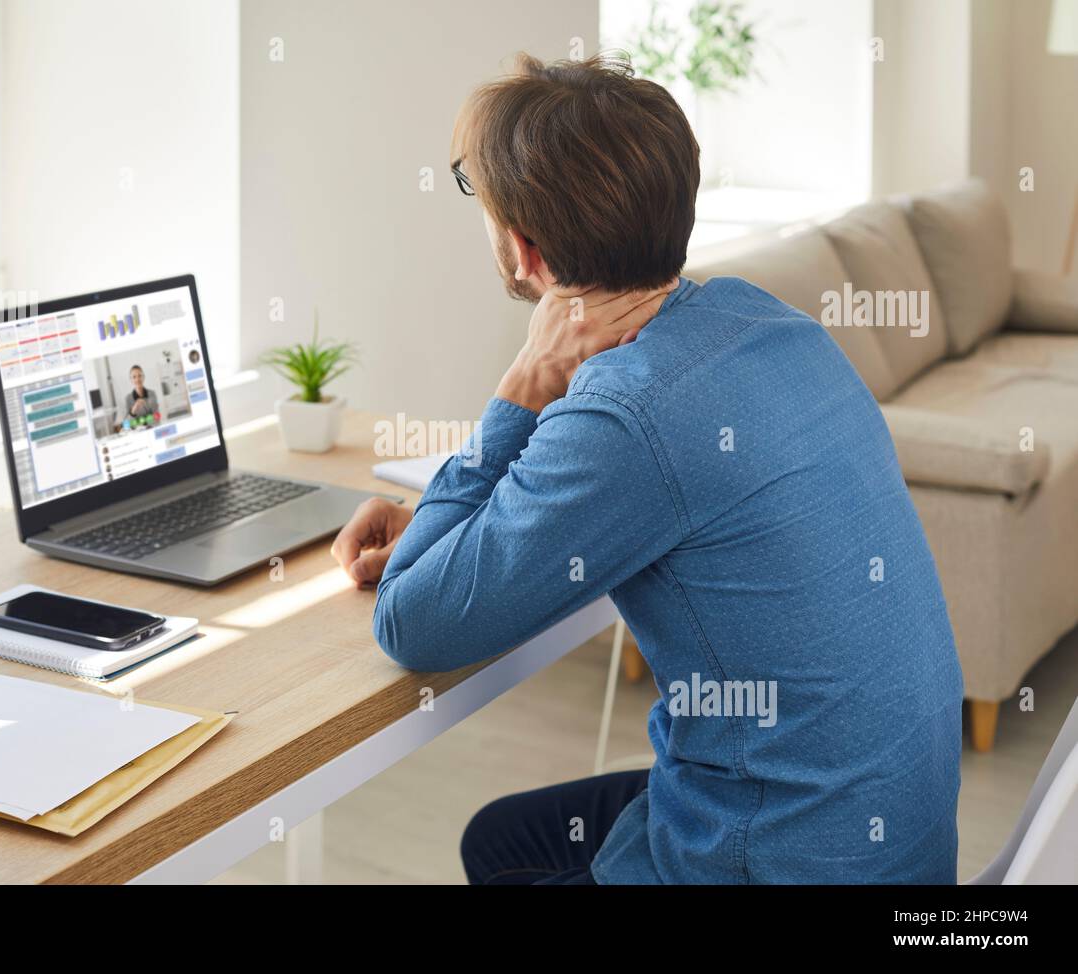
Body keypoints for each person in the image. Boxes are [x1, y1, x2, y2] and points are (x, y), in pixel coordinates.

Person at [329, 53, 963, 884]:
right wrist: (463, 528)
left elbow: (413, 624)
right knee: (501, 837)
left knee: (505, 852)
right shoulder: (768, 321)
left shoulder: (625, 413)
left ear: (526, 250)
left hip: (780, 857)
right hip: (888, 840)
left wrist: (524, 383)